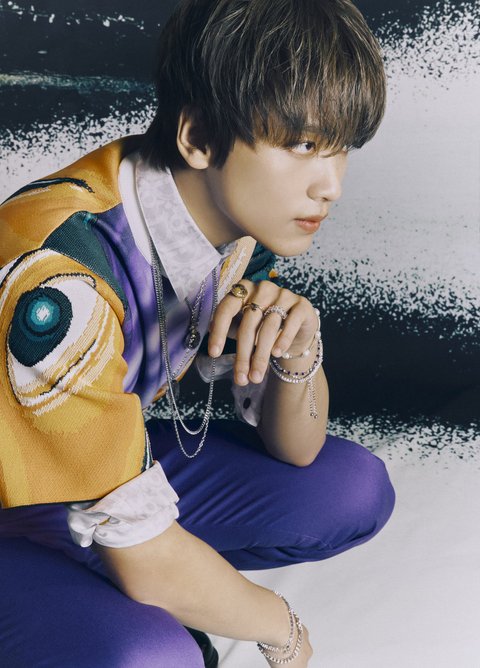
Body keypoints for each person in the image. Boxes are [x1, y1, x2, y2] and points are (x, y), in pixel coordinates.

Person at [0, 0, 395, 665]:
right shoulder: (66, 284)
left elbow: (297, 450)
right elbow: (145, 558)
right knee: (157, 657)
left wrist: (297, 352)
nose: (330, 185)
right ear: (199, 137)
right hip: (10, 502)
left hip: (80, 470)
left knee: (350, 488)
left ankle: (102, 583)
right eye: (302, 145)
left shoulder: (225, 219)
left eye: (341, 148)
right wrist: (281, 626)